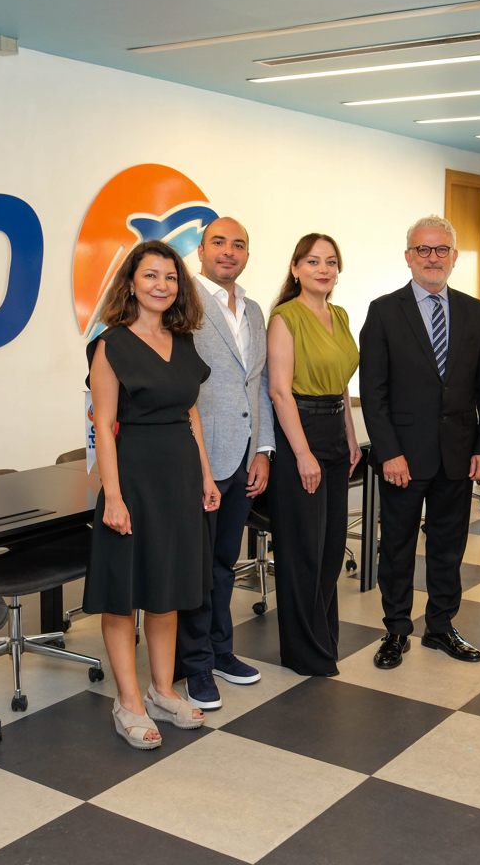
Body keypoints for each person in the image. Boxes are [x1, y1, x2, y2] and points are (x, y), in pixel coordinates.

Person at [83, 240, 220, 749]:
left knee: (168, 592)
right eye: (151, 275)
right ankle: (128, 702)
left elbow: (191, 413)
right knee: (123, 597)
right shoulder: (110, 345)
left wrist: (206, 476)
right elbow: (103, 424)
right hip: (133, 479)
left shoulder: (182, 340)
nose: (162, 285)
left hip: (179, 478)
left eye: (170, 277)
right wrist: (114, 497)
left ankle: (162, 691)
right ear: (131, 283)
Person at [360, 215, 480, 669]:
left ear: (454, 257)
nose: (433, 257)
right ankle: (396, 630)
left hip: (458, 454)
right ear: (409, 256)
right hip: (403, 456)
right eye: (423, 249)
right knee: (397, 547)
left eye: (441, 249)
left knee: (448, 547)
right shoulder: (384, 311)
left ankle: (440, 626)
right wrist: (389, 453)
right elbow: (374, 392)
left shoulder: (475, 311)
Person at [175, 217, 274, 710]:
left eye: (239, 244)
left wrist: (264, 450)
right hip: (201, 457)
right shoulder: (181, 302)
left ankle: (220, 650)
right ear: (200, 251)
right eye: (219, 242)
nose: (228, 252)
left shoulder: (253, 309)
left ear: (247, 255)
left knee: (222, 564)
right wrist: (196, 465)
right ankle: (194, 665)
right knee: (196, 568)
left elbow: (258, 384)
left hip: (243, 456)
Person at [266, 234, 362, 676]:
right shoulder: (285, 318)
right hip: (299, 434)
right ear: (295, 268)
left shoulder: (338, 315)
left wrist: (350, 435)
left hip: (335, 434)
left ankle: (322, 638)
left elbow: (342, 383)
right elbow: (279, 392)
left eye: (330, 262)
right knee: (303, 548)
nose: (323, 269)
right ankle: (302, 651)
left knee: (331, 546)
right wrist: (303, 454)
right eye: (312, 261)